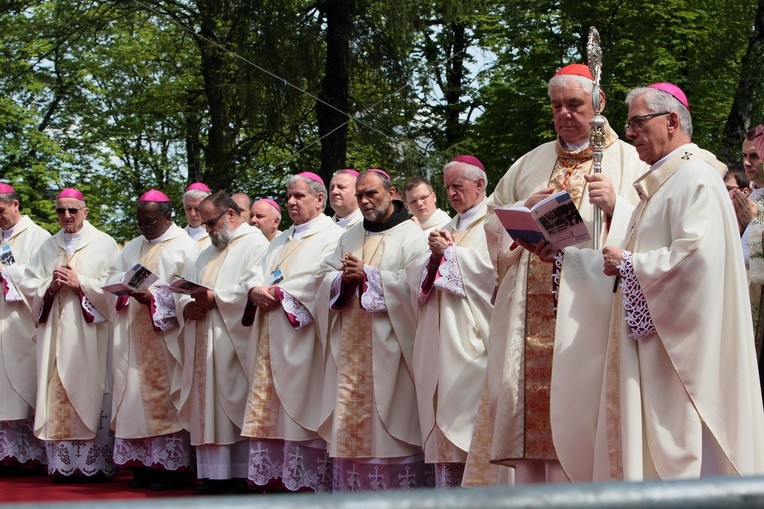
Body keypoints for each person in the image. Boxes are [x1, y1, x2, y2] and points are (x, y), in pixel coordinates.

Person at [555, 82, 764, 480]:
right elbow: (629, 258)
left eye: (637, 122)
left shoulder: (696, 179)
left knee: (684, 457)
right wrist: (569, 259)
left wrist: (633, 265)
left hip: (682, 362)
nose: (629, 132)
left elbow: (698, 263)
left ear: (671, 121)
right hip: (653, 351)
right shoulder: (664, 183)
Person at [462, 63, 645, 487]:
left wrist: (617, 207)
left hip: (588, 314)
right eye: (556, 105)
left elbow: (651, 225)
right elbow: (491, 220)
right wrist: (524, 209)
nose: (564, 113)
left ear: (598, 104)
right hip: (527, 312)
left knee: (582, 412)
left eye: (575, 104)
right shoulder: (532, 161)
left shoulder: (629, 160)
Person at [316, 170, 431, 491]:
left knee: (390, 426)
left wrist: (370, 276)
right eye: (362, 195)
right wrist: (342, 280)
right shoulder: (349, 236)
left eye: (373, 194)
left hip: (390, 349)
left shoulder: (412, 235)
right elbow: (322, 276)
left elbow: (417, 289)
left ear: (391, 192)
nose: (366, 201)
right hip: (350, 350)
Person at [241, 173, 344, 493]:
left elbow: (324, 278)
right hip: (272, 335)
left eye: (299, 196)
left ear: (319, 200)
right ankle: (278, 478)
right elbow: (255, 273)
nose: (291, 202)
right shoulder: (281, 239)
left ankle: (307, 481)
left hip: (305, 340)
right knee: (274, 411)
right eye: (288, 196)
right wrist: (254, 288)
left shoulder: (334, 236)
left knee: (304, 406)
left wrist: (283, 294)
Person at [15, 188, 119, 481]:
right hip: (55, 333)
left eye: (73, 210)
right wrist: (49, 286)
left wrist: (80, 282)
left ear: (85, 211)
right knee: (56, 387)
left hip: (90, 334)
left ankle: (92, 464)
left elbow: (113, 287)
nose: (67, 216)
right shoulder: (49, 245)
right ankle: (63, 465)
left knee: (90, 386)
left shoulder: (105, 244)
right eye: (61, 210)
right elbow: (29, 283)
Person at [176, 191, 269, 494]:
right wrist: (185, 307)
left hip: (233, 341)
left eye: (211, 223)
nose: (208, 230)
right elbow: (184, 289)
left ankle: (240, 475)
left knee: (235, 404)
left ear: (230, 215)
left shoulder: (255, 243)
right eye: (204, 225)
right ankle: (214, 476)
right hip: (204, 338)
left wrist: (218, 298)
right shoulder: (205, 252)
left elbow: (255, 287)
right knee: (208, 409)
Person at [106, 190, 199, 490]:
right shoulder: (132, 247)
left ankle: (170, 467)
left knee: (165, 396)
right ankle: (143, 464)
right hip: (134, 334)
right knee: (133, 396)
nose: (144, 228)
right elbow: (111, 276)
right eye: (140, 222)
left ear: (167, 216)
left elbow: (191, 291)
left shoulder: (186, 247)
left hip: (167, 337)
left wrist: (155, 297)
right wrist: (120, 290)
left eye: (149, 222)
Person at [413, 155, 494, 488]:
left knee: (471, 422)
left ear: (479, 184)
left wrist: (450, 255)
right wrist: (433, 259)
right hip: (439, 338)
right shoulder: (448, 227)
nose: (451, 194)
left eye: (457, 186)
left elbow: (496, 273)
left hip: (474, 342)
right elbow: (417, 281)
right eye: (447, 187)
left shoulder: (494, 223)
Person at [0, 184, 50, 473]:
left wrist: (8, 273)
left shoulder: (39, 238)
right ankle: (6, 455)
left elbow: (38, 280)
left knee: (24, 389)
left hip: (22, 325)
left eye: (2, 211)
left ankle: (31, 456)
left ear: (15, 204)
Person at [183, 182, 212, 248]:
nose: (192, 214)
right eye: (188, 208)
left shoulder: (217, 235)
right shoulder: (178, 236)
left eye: (197, 208)